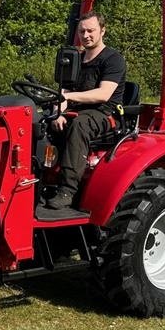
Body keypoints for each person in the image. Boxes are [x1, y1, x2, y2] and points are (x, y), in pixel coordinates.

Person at [46, 11, 126, 211]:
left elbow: (103, 94)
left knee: (80, 124)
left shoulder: (113, 59)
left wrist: (69, 99)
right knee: (40, 120)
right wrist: (59, 112)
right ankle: (38, 179)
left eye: (91, 30)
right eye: (82, 31)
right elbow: (64, 90)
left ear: (102, 31)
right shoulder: (75, 58)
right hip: (76, 109)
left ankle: (67, 190)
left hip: (105, 114)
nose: (86, 35)